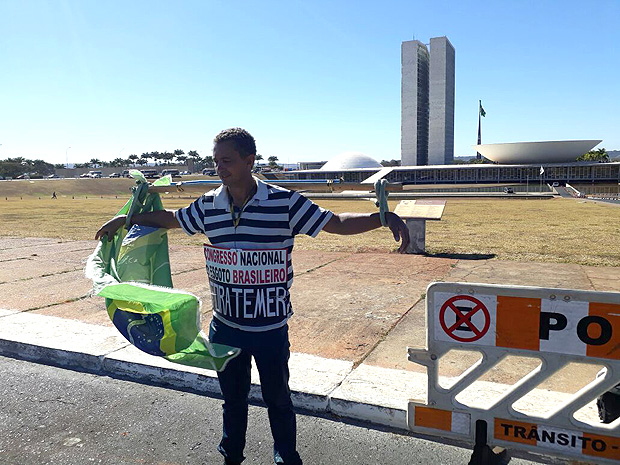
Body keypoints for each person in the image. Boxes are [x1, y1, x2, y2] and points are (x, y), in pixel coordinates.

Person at [95, 128, 410, 465]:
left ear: (249, 161)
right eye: (216, 162)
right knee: (233, 400)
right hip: (225, 327)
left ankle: (286, 458)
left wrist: (382, 217)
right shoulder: (208, 205)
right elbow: (171, 219)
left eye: (227, 161)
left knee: (279, 400)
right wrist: (126, 218)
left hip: (270, 330)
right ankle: (232, 457)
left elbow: (336, 222)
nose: (220, 168)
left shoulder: (284, 203)